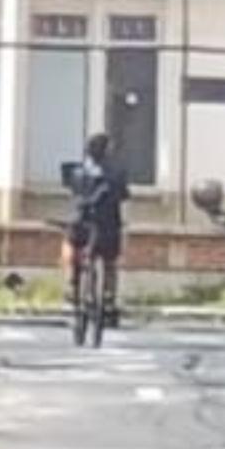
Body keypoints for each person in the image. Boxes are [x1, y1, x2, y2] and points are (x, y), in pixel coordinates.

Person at [68, 133, 129, 318]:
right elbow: (124, 195)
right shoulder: (116, 172)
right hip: (109, 224)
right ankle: (109, 297)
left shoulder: (79, 171)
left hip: (83, 222)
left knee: (76, 250)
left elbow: (75, 192)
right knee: (110, 262)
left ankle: (73, 286)